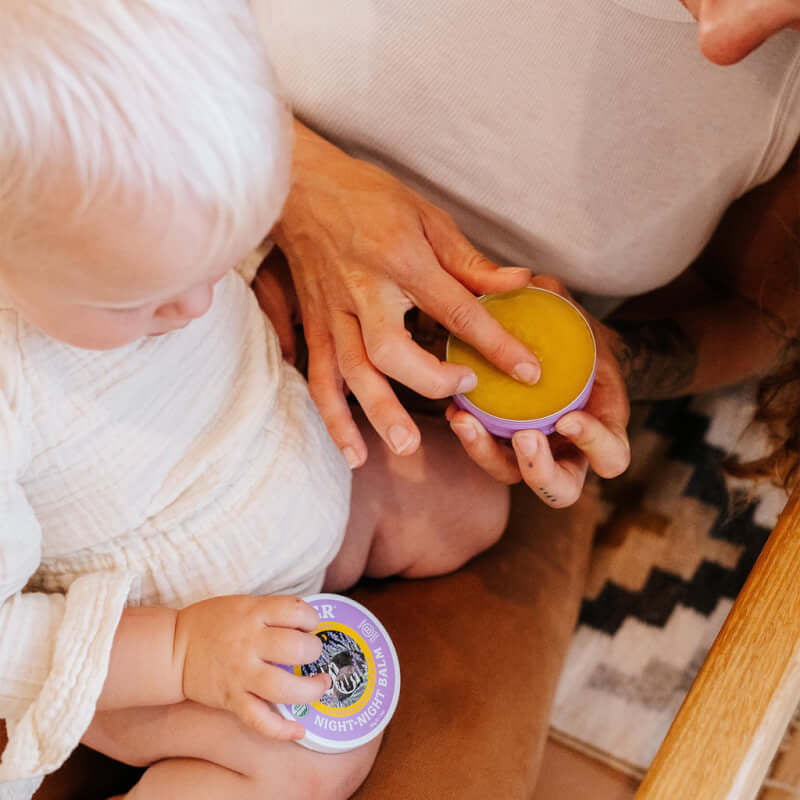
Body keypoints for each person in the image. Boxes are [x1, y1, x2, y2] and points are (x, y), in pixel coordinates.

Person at [0, 3, 511, 799]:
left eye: (219, 256)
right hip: (141, 629)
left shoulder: (161, 172)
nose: (200, 306)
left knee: (472, 502)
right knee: (309, 758)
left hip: (280, 465)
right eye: (144, 299)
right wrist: (178, 651)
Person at [251, 0, 800, 508]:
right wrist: (294, 184)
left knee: (464, 512)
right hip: (194, 206)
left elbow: (761, 310)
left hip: (415, 415)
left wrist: (598, 367)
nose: (724, 41)